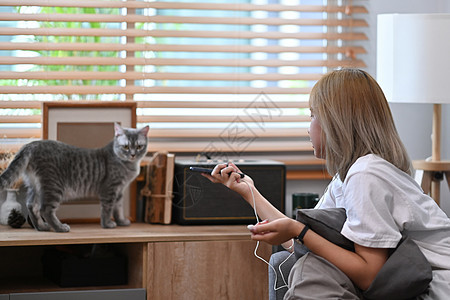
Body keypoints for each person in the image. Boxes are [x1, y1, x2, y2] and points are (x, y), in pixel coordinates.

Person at [202, 68, 450, 299]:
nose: (308, 129)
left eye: (313, 116)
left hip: (432, 284)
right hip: (403, 278)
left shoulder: (367, 174)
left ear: (336, 122)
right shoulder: (346, 177)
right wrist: (249, 191)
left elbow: (369, 274)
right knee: (297, 262)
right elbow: (299, 243)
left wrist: (300, 232)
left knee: (311, 269)